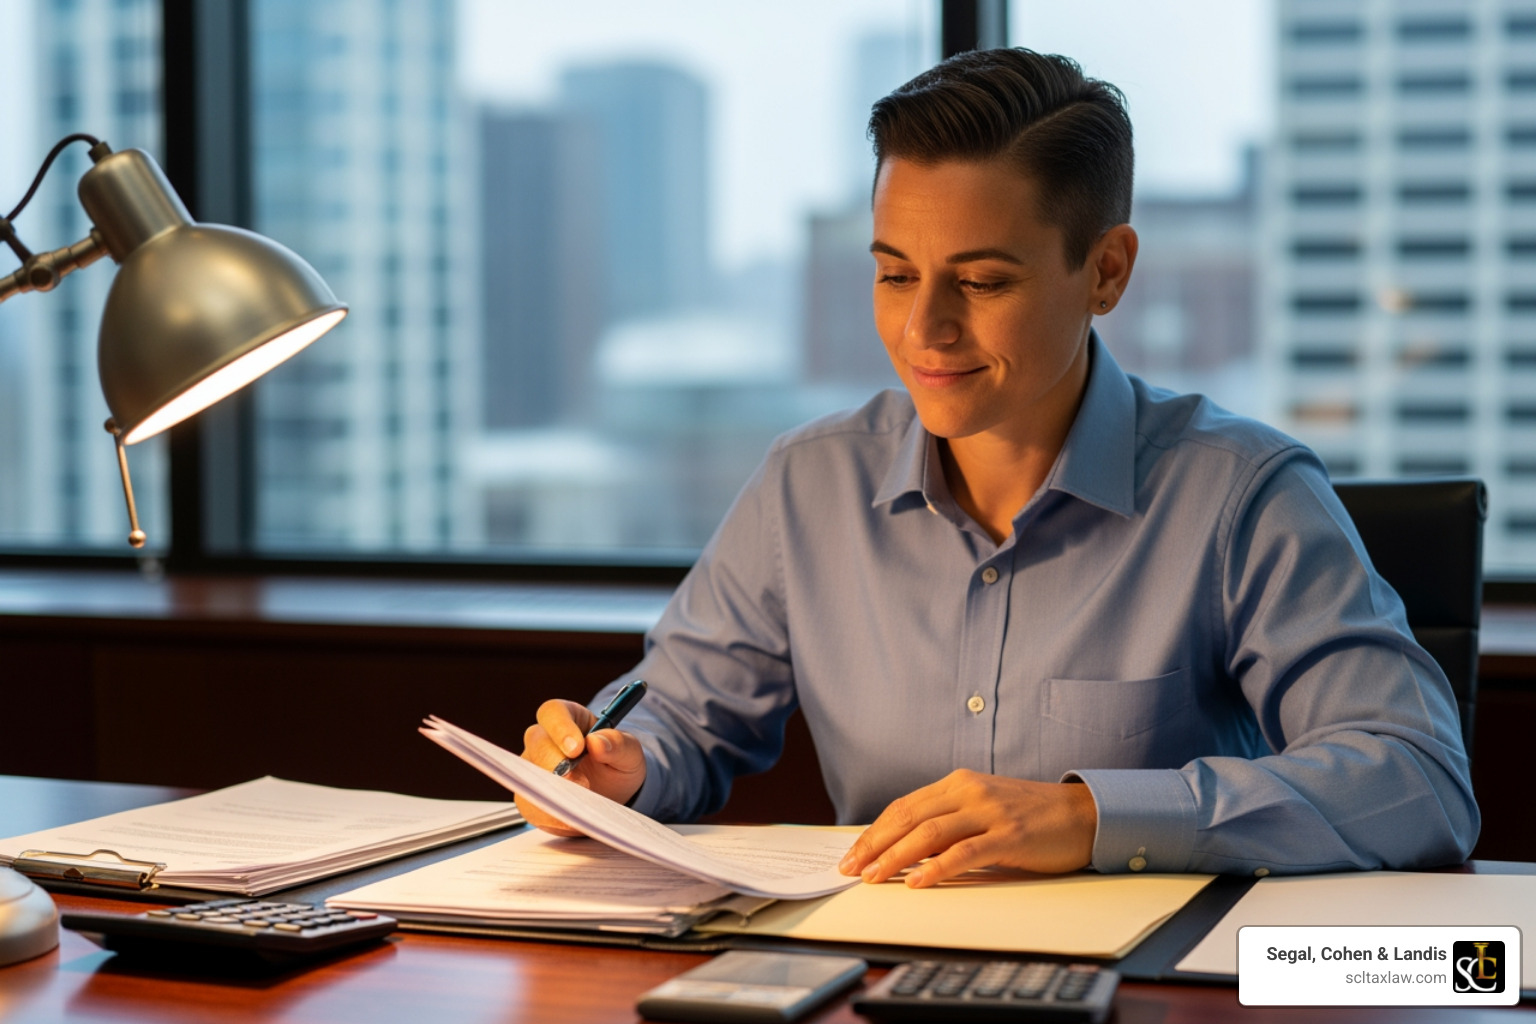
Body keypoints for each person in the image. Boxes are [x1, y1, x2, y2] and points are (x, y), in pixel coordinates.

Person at [517, 48, 1479, 886]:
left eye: (980, 282)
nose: (924, 329)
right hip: (871, 975)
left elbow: (1418, 780)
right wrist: (621, 767)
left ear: (1107, 271)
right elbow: (681, 720)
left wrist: (1091, 817)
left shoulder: (1239, 494)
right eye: (895, 273)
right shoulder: (807, 484)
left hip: (1145, 992)